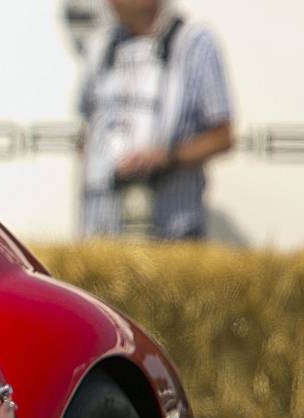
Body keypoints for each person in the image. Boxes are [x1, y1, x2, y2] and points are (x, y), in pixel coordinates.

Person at [78, 0, 233, 240]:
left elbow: (222, 137)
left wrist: (164, 157)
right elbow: (85, 135)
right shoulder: (100, 46)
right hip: (104, 236)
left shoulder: (194, 44)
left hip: (172, 234)